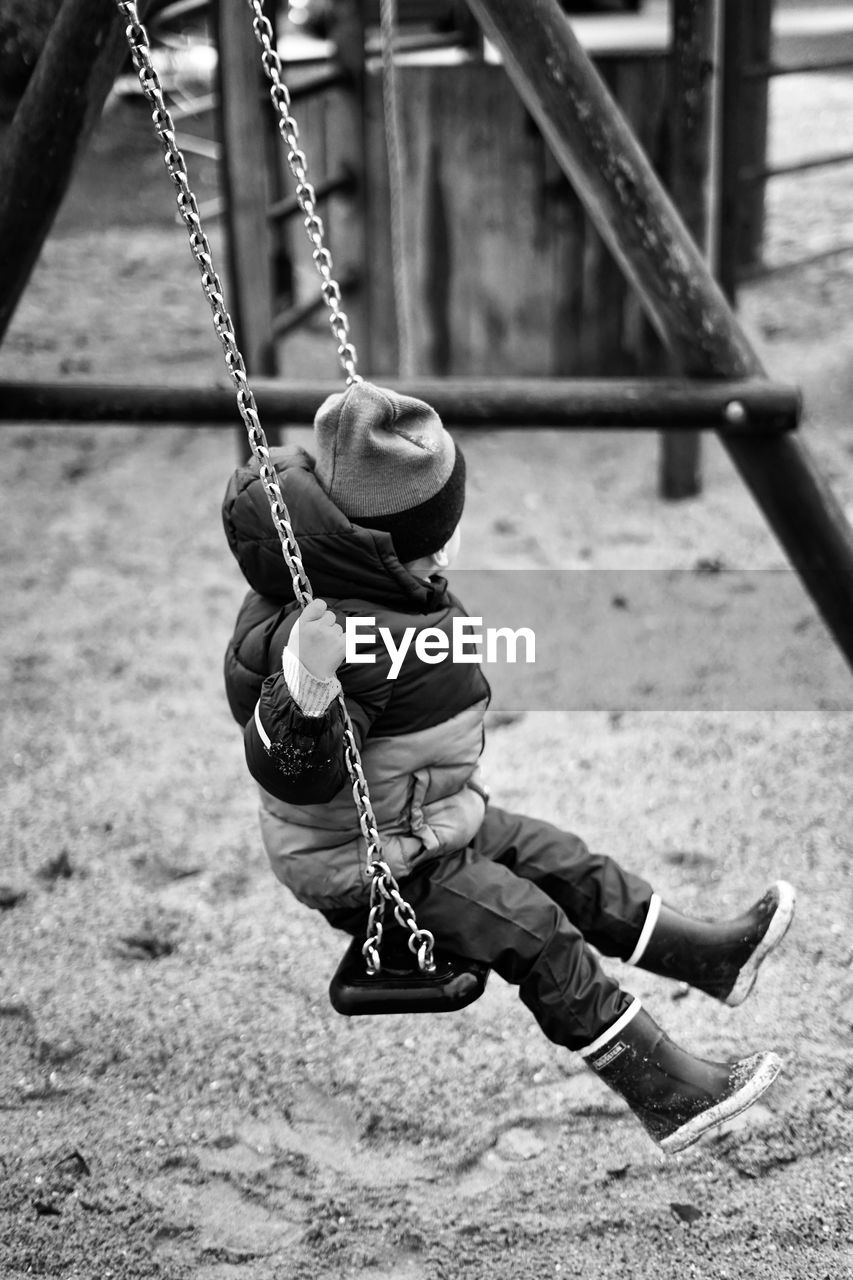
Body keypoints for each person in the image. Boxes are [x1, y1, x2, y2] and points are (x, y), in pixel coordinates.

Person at [222, 381, 795, 1154]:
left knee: (565, 862)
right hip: (371, 863)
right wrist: (308, 683)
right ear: (391, 540)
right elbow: (293, 772)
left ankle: (706, 955)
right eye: (437, 537)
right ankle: (666, 1092)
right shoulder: (335, 633)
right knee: (537, 931)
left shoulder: (381, 579)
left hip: (430, 819)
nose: (448, 553)